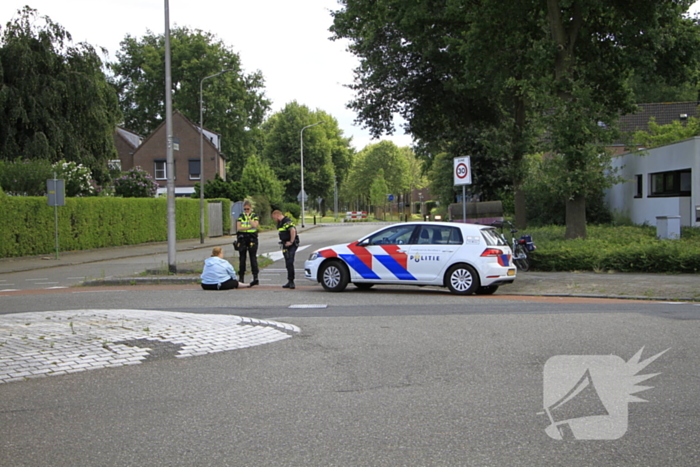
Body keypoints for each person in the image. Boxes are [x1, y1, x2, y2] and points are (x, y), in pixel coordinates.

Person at [271, 209, 298, 289]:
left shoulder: (287, 221)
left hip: (291, 244)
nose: (274, 220)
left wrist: (291, 241)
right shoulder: (281, 223)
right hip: (285, 244)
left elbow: (293, 230)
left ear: (277, 215)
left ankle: (292, 282)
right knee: (287, 262)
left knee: (290, 261)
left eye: (274, 218)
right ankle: (289, 281)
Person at [236, 200, 260, 287]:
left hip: (252, 238)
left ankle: (255, 277)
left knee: (253, 258)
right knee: (242, 258)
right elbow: (238, 228)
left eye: (248, 209)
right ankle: (241, 277)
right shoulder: (241, 216)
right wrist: (249, 226)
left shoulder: (254, 216)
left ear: (251, 208)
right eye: (245, 209)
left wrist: (249, 218)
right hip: (242, 238)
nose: (246, 211)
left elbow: (255, 225)